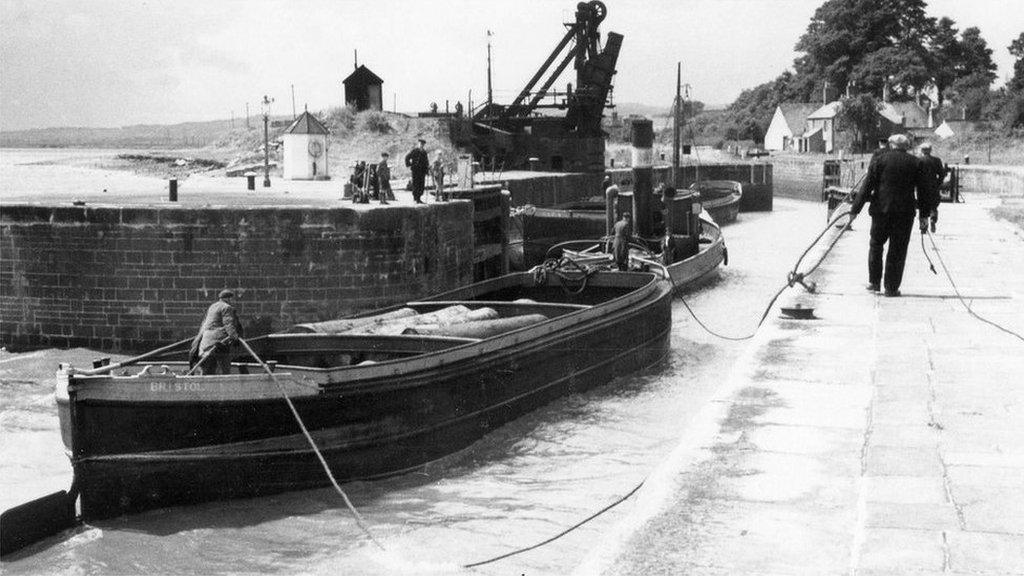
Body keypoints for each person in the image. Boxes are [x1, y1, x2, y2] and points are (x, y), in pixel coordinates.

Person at [850, 134, 939, 297]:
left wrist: (854, 210)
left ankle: (874, 283)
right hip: (904, 213)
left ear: (891, 145)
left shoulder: (879, 160)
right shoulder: (916, 162)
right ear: (906, 146)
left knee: (876, 245)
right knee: (898, 250)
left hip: (881, 211)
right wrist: (924, 216)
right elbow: (924, 191)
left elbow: (866, 186)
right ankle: (891, 287)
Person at [189, 290, 243, 375]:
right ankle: (225, 382)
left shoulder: (212, 307)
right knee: (224, 367)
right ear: (229, 299)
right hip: (219, 342)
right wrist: (235, 338)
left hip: (205, 342)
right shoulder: (226, 307)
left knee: (208, 368)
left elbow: (205, 324)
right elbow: (228, 324)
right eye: (232, 299)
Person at [918, 142, 947, 229]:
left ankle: (923, 226)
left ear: (922, 150)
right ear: (930, 150)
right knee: (933, 205)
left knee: (922, 206)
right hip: (933, 186)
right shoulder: (936, 160)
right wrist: (938, 183)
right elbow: (942, 174)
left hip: (922, 187)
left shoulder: (918, 160)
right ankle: (933, 219)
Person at [404, 138, 429, 204]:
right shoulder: (414, 151)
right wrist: (409, 165)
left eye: (423, 144)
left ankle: (419, 198)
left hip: (422, 171)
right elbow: (407, 157)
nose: (422, 145)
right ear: (418, 144)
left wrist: (427, 170)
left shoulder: (424, 152)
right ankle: (415, 198)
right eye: (421, 144)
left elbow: (426, 162)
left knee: (421, 184)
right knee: (416, 184)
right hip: (415, 170)